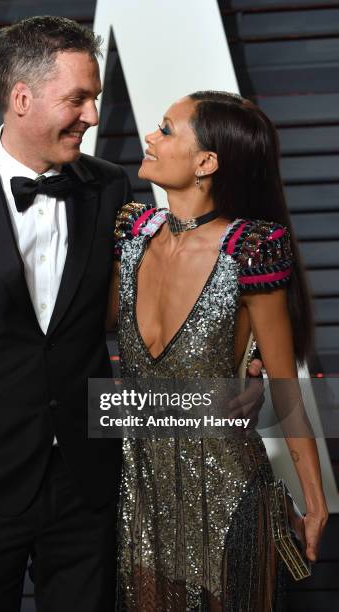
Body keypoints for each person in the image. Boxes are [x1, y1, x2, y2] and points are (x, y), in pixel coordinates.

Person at [0, 16, 133, 612]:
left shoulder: (111, 187)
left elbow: (140, 308)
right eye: (78, 99)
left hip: (85, 488)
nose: (91, 116)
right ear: (21, 98)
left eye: (94, 99)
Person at [109, 91, 328, 611]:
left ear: (206, 162)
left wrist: (314, 501)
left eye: (166, 129)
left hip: (230, 492)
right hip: (143, 493)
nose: (150, 137)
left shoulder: (250, 249)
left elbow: (284, 386)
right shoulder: (132, 232)